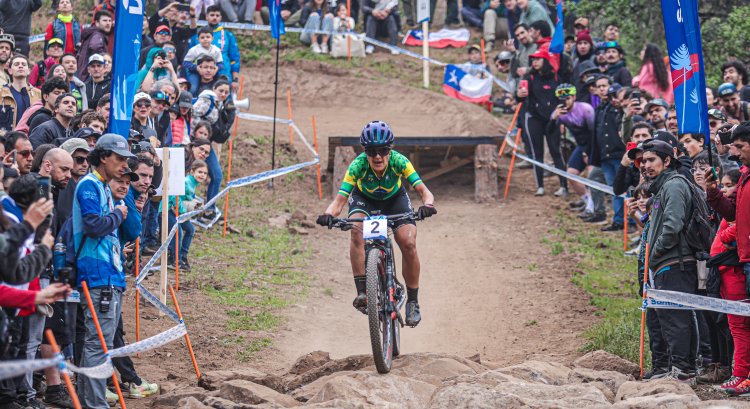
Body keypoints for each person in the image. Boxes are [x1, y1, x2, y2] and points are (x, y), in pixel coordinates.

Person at [316, 121, 436, 326]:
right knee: (356, 232)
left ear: (390, 150)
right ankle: (363, 292)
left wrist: (428, 205)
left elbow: (424, 191)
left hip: (395, 200)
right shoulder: (358, 165)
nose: (378, 156)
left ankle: (413, 302)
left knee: (408, 242)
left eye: (383, 150)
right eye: (372, 151)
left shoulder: (400, 161)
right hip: (365, 201)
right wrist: (328, 215)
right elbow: (339, 201)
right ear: (366, 152)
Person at [73, 133, 135, 409]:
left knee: (99, 345)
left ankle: (91, 402)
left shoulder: (103, 188)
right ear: (103, 157)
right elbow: (93, 226)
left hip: (109, 273)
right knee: (98, 346)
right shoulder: (89, 186)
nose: (124, 165)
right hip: (97, 275)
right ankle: (95, 404)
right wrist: (117, 216)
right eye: (120, 159)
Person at [642, 138, 700, 382]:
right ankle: (676, 367)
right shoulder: (662, 187)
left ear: (667, 161)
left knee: (676, 318)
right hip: (666, 261)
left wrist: (655, 252)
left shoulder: (674, 185)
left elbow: (672, 225)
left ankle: (683, 370)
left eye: (651, 160)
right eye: (643, 161)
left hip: (675, 261)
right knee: (668, 317)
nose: (645, 165)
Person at [517, 48, 567, 197]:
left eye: (538, 59)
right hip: (534, 118)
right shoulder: (529, 77)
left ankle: (564, 186)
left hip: (553, 118)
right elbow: (520, 97)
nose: (535, 62)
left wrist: (562, 119)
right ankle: (540, 186)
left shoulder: (557, 77)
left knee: (556, 151)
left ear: (545, 60)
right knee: (536, 153)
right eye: (533, 60)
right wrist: (518, 95)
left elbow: (563, 99)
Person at [590, 75, 627, 231]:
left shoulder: (618, 108)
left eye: (605, 85)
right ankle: (616, 219)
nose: (602, 89)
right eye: (599, 86)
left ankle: (622, 221)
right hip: (605, 156)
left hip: (619, 155)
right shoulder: (600, 109)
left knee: (620, 188)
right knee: (613, 188)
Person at [550, 84, 594, 212]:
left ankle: (594, 205)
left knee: (591, 175)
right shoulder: (559, 112)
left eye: (568, 98)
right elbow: (550, 131)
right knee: (571, 174)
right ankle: (587, 200)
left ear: (574, 97)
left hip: (593, 144)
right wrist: (554, 118)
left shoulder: (585, 109)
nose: (565, 102)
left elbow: (593, 133)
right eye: (561, 99)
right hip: (581, 145)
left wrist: (588, 152)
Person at [163, 160, 206, 271]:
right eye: (200, 172)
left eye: (205, 173)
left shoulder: (193, 183)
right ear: (192, 171)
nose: (202, 175)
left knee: (190, 229)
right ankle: (174, 260)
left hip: (177, 210)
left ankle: (183, 257)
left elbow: (187, 197)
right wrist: (183, 210)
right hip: (168, 209)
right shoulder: (186, 182)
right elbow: (173, 196)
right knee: (178, 232)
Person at [189, 6, 241, 92]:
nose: (214, 17)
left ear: (220, 18)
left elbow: (235, 59)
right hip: (200, 71)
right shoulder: (198, 35)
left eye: (217, 15)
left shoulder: (228, 35)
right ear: (206, 16)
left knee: (224, 92)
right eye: (212, 15)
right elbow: (190, 56)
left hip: (223, 71)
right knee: (193, 90)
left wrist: (235, 80)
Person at [0, 55, 42, 136]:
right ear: (10, 70)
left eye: (23, 64)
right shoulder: (1, 94)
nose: (20, 66)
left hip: (31, 141)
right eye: (16, 64)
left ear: (29, 70)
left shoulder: (39, 94)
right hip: (5, 141)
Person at [183, 27, 224, 94]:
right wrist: (196, 68)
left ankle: (226, 100)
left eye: (208, 37)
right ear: (198, 39)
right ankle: (191, 100)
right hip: (195, 71)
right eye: (202, 37)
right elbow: (185, 63)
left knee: (222, 83)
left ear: (212, 38)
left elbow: (221, 64)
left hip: (211, 71)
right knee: (193, 88)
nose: (205, 39)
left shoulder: (216, 50)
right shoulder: (194, 50)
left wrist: (216, 69)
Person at [78, 10, 112, 82]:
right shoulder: (97, 35)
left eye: (110, 21)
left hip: (84, 76)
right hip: (89, 77)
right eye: (105, 20)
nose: (108, 23)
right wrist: (105, 60)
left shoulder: (92, 33)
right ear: (97, 23)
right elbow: (95, 47)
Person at [505, 23, 537, 92]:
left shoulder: (537, 47)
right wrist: (513, 52)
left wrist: (527, 70)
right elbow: (514, 73)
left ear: (529, 31)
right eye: (517, 35)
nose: (521, 37)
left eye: (522, 33)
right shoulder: (522, 52)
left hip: (537, 88)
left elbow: (543, 68)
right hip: (523, 91)